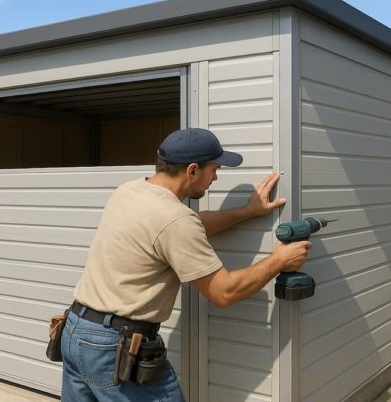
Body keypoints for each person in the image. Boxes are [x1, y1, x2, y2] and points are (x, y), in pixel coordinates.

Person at [59, 128, 311, 401]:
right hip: (114, 348)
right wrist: (279, 260)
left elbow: (185, 227)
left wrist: (247, 212)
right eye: (214, 169)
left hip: (75, 331)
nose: (215, 177)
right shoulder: (175, 220)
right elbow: (223, 292)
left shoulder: (130, 191)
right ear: (192, 170)